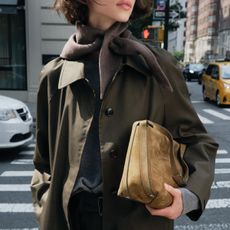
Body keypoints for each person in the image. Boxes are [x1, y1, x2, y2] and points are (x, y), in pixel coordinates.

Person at [30, 0, 218, 229]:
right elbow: (43, 163)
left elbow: (197, 141)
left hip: (139, 220)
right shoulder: (54, 75)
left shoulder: (157, 66)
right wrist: (44, 204)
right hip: (71, 220)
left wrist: (188, 197)